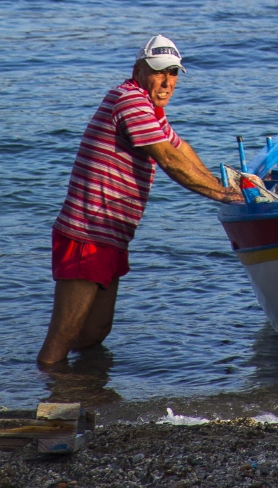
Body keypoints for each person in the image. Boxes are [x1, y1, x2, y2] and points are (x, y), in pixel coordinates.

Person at [38, 34, 249, 367]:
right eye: (159, 71)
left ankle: (81, 395)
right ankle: (48, 407)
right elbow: (167, 158)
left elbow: (180, 148)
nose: (167, 82)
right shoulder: (130, 101)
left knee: (95, 332)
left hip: (112, 233)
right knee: (61, 339)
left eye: (174, 73)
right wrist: (223, 195)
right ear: (138, 69)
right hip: (87, 230)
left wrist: (228, 186)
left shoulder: (149, 107)